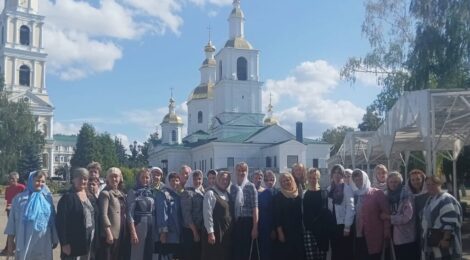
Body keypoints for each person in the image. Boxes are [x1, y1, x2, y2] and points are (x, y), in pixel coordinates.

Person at [4, 171, 58, 260]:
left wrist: (54, 238)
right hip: (26, 241)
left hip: (44, 242)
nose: (40, 184)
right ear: (30, 181)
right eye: (37, 181)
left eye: (43, 181)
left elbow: (52, 219)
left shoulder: (47, 198)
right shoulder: (19, 199)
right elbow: (11, 223)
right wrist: (10, 242)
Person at [56, 168, 99, 260]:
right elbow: (61, 222)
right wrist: (64, 243)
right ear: (73, 179)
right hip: (74, 240)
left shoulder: (90, 196)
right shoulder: (67, 198)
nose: (83, 181)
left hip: (90, 235)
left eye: (85, 179)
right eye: (80, 178)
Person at [352, 169, 390, 260]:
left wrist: (387, 230)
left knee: (373, 256)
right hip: (359, 234)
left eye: (360, 179)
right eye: (356, 180)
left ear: (365, 178)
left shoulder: (377, 193)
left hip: (374, 234)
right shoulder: (354, 195)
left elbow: (386, 212)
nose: (358, 182)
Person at [421, 175, 462, 260]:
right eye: (428, 185)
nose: (430, 187)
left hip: (443, 243)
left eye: (433, 184)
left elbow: (450, 221)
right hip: (434, 242)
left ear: (439, 184)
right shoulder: (431, 199)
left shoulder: (446, 199)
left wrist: (446, 239)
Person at [381, 171, 418, 260]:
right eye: (391, 182)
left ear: (401, 183)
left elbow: (406, 217)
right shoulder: (386, 195)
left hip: (405, 236)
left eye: (396, 182)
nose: (393, 184)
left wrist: (389, 217)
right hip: (392, 235)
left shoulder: (407, 196)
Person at [229, 162, 259, 260]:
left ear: (247, 172)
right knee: (237, 249)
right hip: (236, 222)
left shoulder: (251, 186)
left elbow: (255, 208)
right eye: (239, 170)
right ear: (235, 172)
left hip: (247, 222)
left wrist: (255, 227)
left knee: (247, 250)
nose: (241, 172)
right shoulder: (232, 187)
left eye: (244, 170)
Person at [98, 167, 128, 260]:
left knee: (118, 256)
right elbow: (103, 215)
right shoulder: (105, 194)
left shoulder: (121, 194)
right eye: (111, 177)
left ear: (120, 178)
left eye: (116, 176)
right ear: (107, 179)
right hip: (111, 233)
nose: (114, 179)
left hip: (121, 231)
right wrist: (108, 233)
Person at [201, 171, 232, 260]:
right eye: (222, 179)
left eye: (226, 179)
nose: (224, 181)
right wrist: (211, 233)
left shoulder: (228, 194)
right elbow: (207, 214)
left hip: (225, 233)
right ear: (217, 180)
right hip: (215, 233)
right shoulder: (210, 193)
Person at [302, 168, 332, 260]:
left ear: (318, 178)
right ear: (307, 178)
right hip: (309, 231)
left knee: (322, 257)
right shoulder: (304, 194)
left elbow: (328, 210)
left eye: (314, 178)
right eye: (310, 178)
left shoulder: (324, 192)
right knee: (311, 257)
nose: (312, 180)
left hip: (322, 231)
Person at [274, 172, 305, 260]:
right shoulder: (278, 197)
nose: (286, 182)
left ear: (292, 180)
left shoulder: (298, 195)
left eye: (288, 180)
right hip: (285, 232)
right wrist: (280, 233)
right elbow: (277, 216)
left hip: (298, 232)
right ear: (281, 183)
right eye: (283, 181)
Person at [327, 165, 355, 260]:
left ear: (342, 175)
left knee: (345, 252)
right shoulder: (329, 189)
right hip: (332, 225)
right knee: (335, 252)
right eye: (335, 172)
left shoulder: (347, 188)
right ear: (332, 174)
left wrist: (347, 227)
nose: (337, 175)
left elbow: (350, 208)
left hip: (343, 225)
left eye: (339, 173)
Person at [127, 168, 154, 260]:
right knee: (137, 252)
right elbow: (129, 213)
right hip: (139, 225)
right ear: (138, 178)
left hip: (151, 225)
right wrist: (133, 232)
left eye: (147, 177)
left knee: (149, 251)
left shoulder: (151, 192)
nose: (145, 180)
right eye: (143, 177)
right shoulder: (133, 192)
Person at [155, 172, 183, 259]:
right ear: (168, 181)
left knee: (174, 255)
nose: (175, 183)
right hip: (168, 233)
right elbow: (162, 214)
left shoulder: (177, 194)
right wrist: (163, 232)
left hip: (177, 231)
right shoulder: (163, 194)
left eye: (177, 180)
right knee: (167, 255)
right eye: (172, 180)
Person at [180, 170, 205, 260]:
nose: (197, 181)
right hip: (190, 230)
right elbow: (187, 215)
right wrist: (195, 232)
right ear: (191, 180)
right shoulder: (187, 193)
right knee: (190, 255)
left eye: (199, 179)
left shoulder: (201, 191)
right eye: (195, 179)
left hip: (200, 229)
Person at [407, 169, 429, 258]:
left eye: (418, 179)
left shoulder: (429, 194)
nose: (415, 182)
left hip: (426, 228)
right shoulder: (407, 194)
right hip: (412, 228)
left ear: (423, 180)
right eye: (413, 180)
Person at [2, 172, 26, 255]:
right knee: (11, 229)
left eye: (13, 179)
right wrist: (9, 207)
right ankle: (10, 247)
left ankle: (10, 247)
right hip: (9, 210)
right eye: (10, 178)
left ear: (17, 179)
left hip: (19, 211)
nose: (11, 180)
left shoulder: (22, 187)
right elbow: (7, 199)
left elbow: (25, 199)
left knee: (16, 229)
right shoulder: (8, 188)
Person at [257, 170, 278, 260]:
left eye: (272, 179)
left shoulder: (279, 193)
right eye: (266, 180)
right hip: (264, 229)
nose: (269, 182)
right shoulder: (260, 195)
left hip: (278, 228)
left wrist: (274, 229)